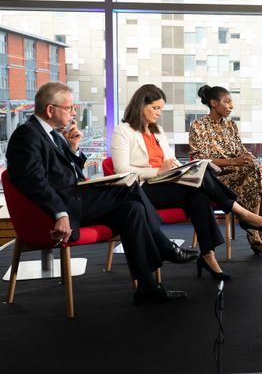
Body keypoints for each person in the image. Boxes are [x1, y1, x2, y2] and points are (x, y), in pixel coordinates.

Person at [6, 82, 199, 305]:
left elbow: (71, 174)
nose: (74, 112)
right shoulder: (27, 135)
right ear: (51, 110)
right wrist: (60, 213)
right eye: (69, 108)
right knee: (130, 187)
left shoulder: (54, 135)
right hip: (63, 208)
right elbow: (33, 181)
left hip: (76, 200)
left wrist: (73, 148)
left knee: (133, 209)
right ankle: (166, 248)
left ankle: (147, 288)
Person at [111, 84, 262, 279]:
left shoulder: (158, 131)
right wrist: (157, 171)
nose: (158, 113)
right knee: (203, 177)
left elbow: (168, 160)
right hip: (142, 189)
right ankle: (242, 213)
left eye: (160, 109)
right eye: (155, 108)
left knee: (199, 194)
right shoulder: (123, 131)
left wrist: (174, 168)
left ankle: (208, 256)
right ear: (140, 105)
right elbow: (121, 170)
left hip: (166, 182)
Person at [189, 85, 262, 258]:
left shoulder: (231, 125)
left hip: (240, 174)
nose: (231, 106)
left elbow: (239, 149)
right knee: (256, 176)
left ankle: (255, 231)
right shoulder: (198, 126)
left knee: (254, 171)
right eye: (227, 102)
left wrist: (245, 156)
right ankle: (257, 234)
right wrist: (233, 161)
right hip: (215, 179)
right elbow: (200, 159)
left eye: (232, 102)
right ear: (214, 103)